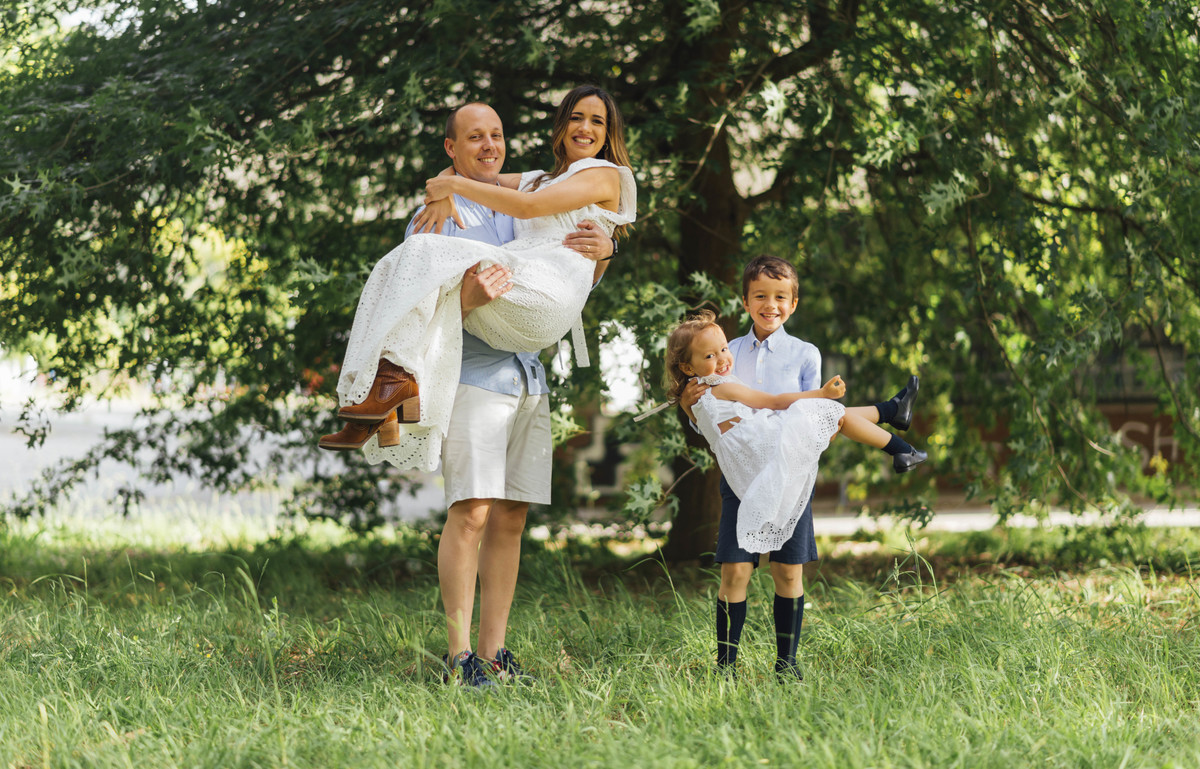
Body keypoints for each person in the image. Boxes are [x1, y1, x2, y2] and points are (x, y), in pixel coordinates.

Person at [327, 95, 628, 688]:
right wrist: (469, 299)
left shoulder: (530, 206)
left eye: (496, 135)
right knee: (471, 513)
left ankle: (495, 653)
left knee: (512, 516)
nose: (489, 146)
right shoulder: (437, 216)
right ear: (451, 149)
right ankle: (460, 655)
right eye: (474, 138)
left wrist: (607, 251)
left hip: (528, 377)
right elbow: (421, 304)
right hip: (471, 376)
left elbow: (568, 282)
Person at [319, 86, 635, 478]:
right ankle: (389, 388)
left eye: (597, 121)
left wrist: (606, 252)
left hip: (549, 297)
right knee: (411, 256)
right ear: (561, 125)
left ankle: (391, 385)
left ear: (609, 134)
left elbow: (526, 208)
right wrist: (442, 187)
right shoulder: (540, 180)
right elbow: (479, 173)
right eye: (576, 117)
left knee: (418, 253)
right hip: (511, 330)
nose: (585, 127)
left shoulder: (601, 173)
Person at [674, 256, 924, 679]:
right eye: (760, 296)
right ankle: (725, 669)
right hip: (744, 475)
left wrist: (818, 412)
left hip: (789, 471)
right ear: (745, 301)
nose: (769, 305)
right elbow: (711, 416)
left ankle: (787, 667)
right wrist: (692, 405)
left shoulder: (804, 354)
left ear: (793, 303)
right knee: (735, 570)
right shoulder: (725, 352)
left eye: (779, 297)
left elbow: (818, 418)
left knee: (788, 572)